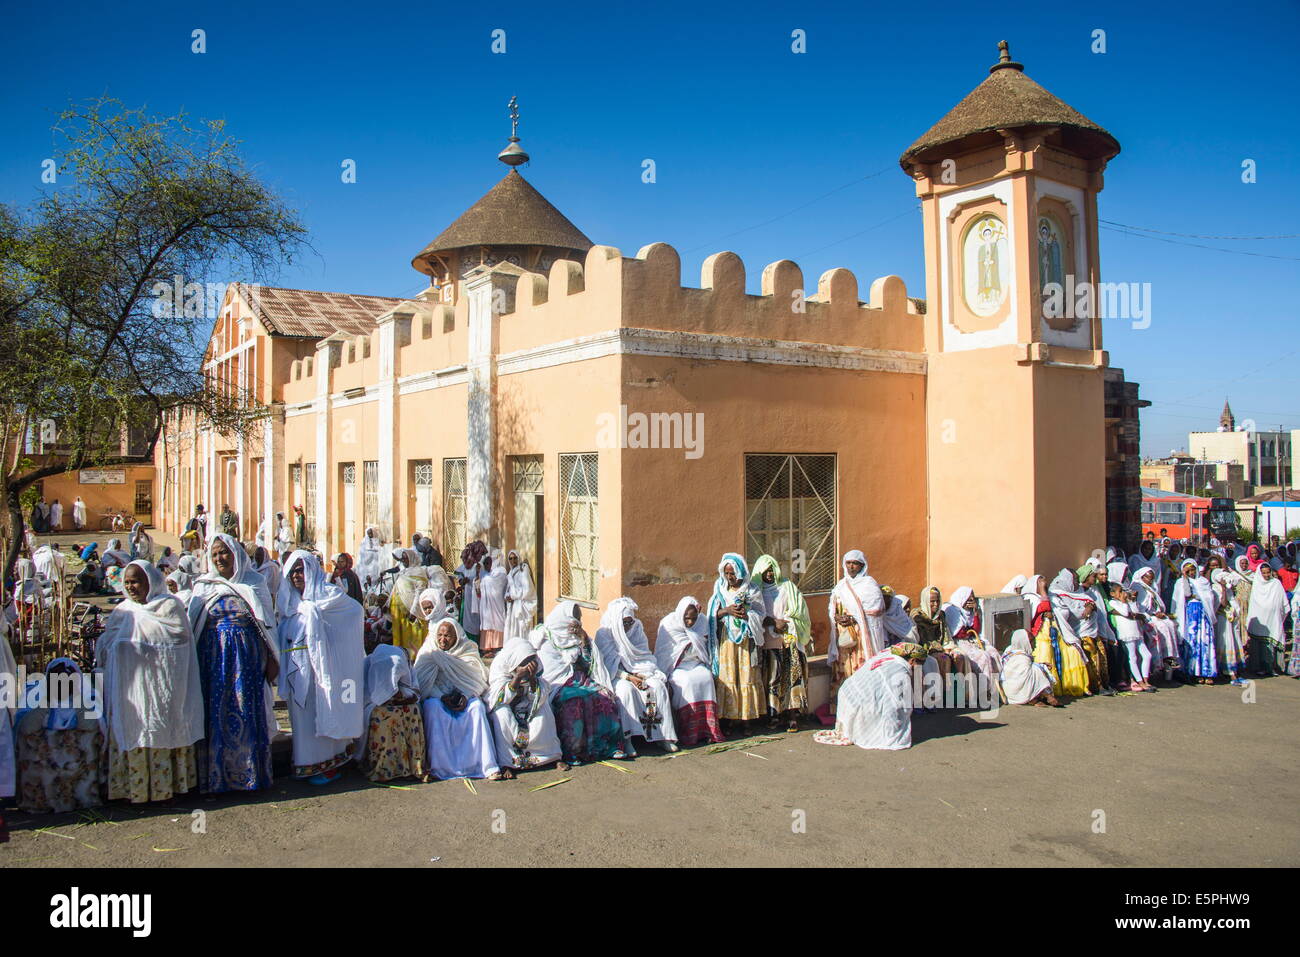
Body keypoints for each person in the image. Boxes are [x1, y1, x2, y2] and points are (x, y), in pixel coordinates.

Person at [96, 561, 203, 803]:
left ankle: (165, 788)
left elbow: (177, 643)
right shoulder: (123, 610)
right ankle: (134, 789)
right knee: (133, 729)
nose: (131, 587)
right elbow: (107, 645)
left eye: (136, 581)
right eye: (127, 582)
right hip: (129, 692)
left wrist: (130, 644)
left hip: (161, 692)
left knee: (158, 730)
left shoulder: (169, 607)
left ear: (151, 581)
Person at [187, 533, 279, 793]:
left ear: (236, 554)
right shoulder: (203, 586)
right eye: (215, 554)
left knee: (245, 712)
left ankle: (249, 776)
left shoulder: (254, 582)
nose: (220, 558)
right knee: (215, 715)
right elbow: (193, 625)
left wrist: (271, 660)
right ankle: (217, 779)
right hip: (213, 662)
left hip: (246, 663)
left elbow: (267, 626)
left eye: (224, 552)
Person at [277, 551, 366, 784]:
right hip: (297, 671)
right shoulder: (290, 603)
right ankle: (306, 763)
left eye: (300, 570)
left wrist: (332, 646)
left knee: (324, 711)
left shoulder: (330, 598)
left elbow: (355, 612)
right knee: (302, 720)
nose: (297, 575)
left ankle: (328, 764)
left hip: (324, 671)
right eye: (292, 571)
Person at [530, 601, 627, 764]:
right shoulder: (545, 639)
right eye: (575, 618)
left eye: (579, 618)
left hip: (579, 680)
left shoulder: (579, 637)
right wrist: (573, 670)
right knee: (574, 702)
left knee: (604, 697)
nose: (578, 623)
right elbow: (550, 671)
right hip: (558, 684)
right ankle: (575, 752)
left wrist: (584, 641)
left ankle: (609, 747)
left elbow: (589, 664)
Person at [14, 658, 105, 813]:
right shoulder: (37, 698)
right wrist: (49, 702)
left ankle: (81, 797)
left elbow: (93, 725)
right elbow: (25, 728)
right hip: (46, 769)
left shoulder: (86, 700)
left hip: (74, 765)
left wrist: (76, 700)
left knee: (89, 737)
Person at [414, 617, 500, 780]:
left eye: (447, 636)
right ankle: (439, 768)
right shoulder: (429, 652)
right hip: (438, 698)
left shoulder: (468, 651)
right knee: (432, 707)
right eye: (439, 635)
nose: (442, 640)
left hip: (463, 698)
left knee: (477, 707)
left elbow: (478, 680)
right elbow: (422, 682)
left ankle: (486, 766)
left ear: (457, 637)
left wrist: (465, 696)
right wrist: (441, 696)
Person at [596, 597, 678, 753]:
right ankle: (627, 739)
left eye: (630, 622)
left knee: (658, 687)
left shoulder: (636, 628)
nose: (627, 626)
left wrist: (640, 674)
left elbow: (644, 656)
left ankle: (663, 737)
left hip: (639, 671)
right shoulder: (604, 633)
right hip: (616, 676)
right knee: (626, 691)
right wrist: (628, 677)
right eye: (624, 623)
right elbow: (605, 666)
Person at [813, 643, 926, 750]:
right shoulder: (900, 671)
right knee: (891, 713)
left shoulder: (888, 654)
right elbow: (897, 703)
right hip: (859, 700)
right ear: (912, 661)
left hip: (847, 693)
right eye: (919, 665)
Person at [750, 554, 812, 732]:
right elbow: (754, 615)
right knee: (772, 678)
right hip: (769, 642)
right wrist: (771, 622)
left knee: (792, 676)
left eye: (772, 570)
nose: (769, 574)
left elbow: (800, 612)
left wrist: (786, 623)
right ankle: (774, 715)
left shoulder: (787, 587)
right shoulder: (756, 592)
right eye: (766, 571)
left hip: (789, 638)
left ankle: (792, 715)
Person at [358, 630, 429, 783]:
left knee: (412, 710)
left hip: (402, 705)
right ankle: (384, 769)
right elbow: (372, 696)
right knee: (385, 716)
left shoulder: (405, 665)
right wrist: (386, 698)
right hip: (374, 708)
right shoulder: (370, 667)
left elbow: (413, 690)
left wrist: (403, 698)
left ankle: (412, 767)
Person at [486, 637, 563, 775]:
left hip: (527, 708)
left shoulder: (534, 673)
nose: (529, 666)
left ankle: (551, 756)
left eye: (531, 662)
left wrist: (532, 678)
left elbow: (538, 697)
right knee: (502, 715)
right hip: (508, 708)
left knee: (545, 710)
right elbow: (497, 699)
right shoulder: (500, 670)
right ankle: (508, 763)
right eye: (525, 663)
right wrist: (517, 678)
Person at [655, 595, 726, 746]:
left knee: (706, 678)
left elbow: (705, 646)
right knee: (688, 682)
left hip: (696, 662)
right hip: (676, 666)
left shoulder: (701, 622)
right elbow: (664, 654)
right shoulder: (668, 624)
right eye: (687, 618)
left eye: (693, 618)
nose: (690, 622)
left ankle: (708, 731)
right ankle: (689, 732)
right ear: (681, 614)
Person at [706, 552, 767, 727]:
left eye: (733, 573)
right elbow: (712, 614)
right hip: (727, 640)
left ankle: (746, 719)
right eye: (727, 573)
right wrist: (727, 611)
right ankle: (730, 718)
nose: (730, 577)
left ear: (740, 572)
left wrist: (747, 615)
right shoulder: (720, 589)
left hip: (746, 639)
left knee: (746, 675)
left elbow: (761, 613)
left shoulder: (751, 589)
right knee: (729, 675)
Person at [827, 550, 885, 714]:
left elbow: (876, 610)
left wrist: (853, 619)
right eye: (848, 563)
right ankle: (843, 712)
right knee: (843, 672)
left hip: (860, 638)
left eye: (855, 563)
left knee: (860, 673)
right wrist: (836, 616)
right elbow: (833, 606)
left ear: (862, 565)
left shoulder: (869, 584)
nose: (851, 566)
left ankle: (863, 712)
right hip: (843, 638)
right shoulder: (841, 585)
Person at [1027, 581, 1090, 697]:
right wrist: (1043, 594)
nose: (1044, 587)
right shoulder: (1032, 598)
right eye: (1041, 585)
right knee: (1046, 658)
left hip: (1055, 632)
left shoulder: (1054, 597)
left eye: (1045, 585)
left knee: (1073, 653)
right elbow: (1043, 608)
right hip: (1040, 636)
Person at [942, 586, 1002, 685]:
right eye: (969, 598)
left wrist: (975, 613)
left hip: (972, 639)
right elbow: (960, 633)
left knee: (994, 653)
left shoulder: (971, 612)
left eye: (972, 598)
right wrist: (970, 632)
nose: (971, 600)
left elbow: (976, 630)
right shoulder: (953, 610)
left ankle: (998, 686)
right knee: (983, 657)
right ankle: (985, 689)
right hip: (959, 642)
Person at [1170, 558, 1217, 684]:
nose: (1191, 573)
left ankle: (1207, 671)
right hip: (1190, 616)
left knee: (1205, 642)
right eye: (1188, 570)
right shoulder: (1180, 582)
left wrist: (1198, 597)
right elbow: (1186, 594)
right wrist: (1184, 577)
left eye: (1193, 570)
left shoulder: (1203, 582)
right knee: (1193, 643)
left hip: (1203, 615)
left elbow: (1209, 597)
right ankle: (1194, 672)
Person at [1131, 566, 1181, 680]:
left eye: (1152, 578)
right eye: (1148, 578)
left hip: (1153, 615)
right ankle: (1160, 660)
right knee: (1162, 626)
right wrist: (1154, 614)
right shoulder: (1137, 586)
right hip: (1145, 617)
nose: (1150, 580)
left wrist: (1158, 613)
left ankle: (1170, 657)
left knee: (1170, 624)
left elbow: (1155, 604)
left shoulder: (1150, 588)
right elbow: (1141, 607)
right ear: (1142, 577)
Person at [389, 547, 436, 658]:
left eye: (406, 559)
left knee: (412, 638)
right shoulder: (404, 572)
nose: (404, 561)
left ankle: (415, 661)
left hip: (411, 612)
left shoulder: (419, 572)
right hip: (399, 612)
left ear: (412, 559)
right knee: (400, 639)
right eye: (403, 559)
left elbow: (420, 593)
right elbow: (395, 589)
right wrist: (387, 603)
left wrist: (414, 611)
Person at [912, 585, 965, 682]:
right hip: (926, 651)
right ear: (925, 601)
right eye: (932, 601)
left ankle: (959, 690)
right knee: (944, 659)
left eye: (937, 601)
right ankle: (946, 690)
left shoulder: (941, 615)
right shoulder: (917, 617)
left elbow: (946, 636)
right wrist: (941, 650)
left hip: (942, 648)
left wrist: (948, 648)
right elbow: (921, 641)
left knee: (960, 657)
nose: (936, 604)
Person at [1107, 582, 1154, 691]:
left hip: (1137, 632)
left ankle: (1146, 679)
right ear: (1113, 593)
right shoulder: (1113, 603)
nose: (1123, 594)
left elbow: (1136, 612)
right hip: (1126, 633)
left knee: (1147, 655)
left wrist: (1132, 600)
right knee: (1132, 657)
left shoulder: (1127, 602)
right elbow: (1125, 613)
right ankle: (1140, 681)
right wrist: (1124, 602)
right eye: (1120, 592)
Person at [1245, 562, 1288, 676]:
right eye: (1264, 573)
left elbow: (1283, 602)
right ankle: (1259, 667)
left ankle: (1272, 667)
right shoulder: (1257, 584)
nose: (1266, 575)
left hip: (1273, 618)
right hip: (1260, 620)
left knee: (1271, 641)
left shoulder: (1276, 583)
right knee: (1259, 644)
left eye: (1268, 572)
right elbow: (1254, 603)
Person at [1000, 629, 1061, 706]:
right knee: (1037, 670)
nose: (1034, 645)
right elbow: (1023, 678)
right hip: (1016, 693)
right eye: (1031, 642)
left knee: (1036, 668)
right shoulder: (1020, 657)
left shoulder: (1012, 651)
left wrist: (1041, 664)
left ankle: (1036, 698)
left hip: (1014, 690)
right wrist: (1041, 666)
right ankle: (1048, 696)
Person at [476, 549, 508, 655]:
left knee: (497, 622)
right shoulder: (488, 574)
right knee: (487, 623)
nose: (486, 565)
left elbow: (499, 584)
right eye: (485, 563)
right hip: (487, 606)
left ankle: (496, 647)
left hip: (496, 604)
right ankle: (487, 647)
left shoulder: (501, 571)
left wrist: (484, 580)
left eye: (488, 563)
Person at [503, 549, 538, 644]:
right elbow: (508, 590)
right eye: (510, 558)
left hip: (521, 606)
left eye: (515, 558)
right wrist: (507, 596)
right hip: (513, 606)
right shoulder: (510, 573)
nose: (513, 560)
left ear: (518, 558)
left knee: (521, 630)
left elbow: (527, 589)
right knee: (513, 629)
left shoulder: (523, 570)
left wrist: (513, 596)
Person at [455, 542, 488, 641]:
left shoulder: (480, 566)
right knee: (466, 619)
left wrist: (477, 578)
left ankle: (475, 642)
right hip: (468, 596)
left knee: (476, 618)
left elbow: (485, 580)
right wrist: (463, 582)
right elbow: (460, 578)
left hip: (478, 597)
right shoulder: (466, 565)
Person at [251, 545, 282, 613]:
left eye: (260, 555)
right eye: (256, 555)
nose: (258, 557)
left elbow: (272, 586)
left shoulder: (271, 567)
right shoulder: (252, 567)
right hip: (253, 598)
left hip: (267, 598)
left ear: (265, 556)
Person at [356, 525, 385, 593]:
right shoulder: (364, 542)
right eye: (369, 533)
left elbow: (382, 554)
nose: (370, 535)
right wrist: (370, 554)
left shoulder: (378, 541)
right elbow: (362, 557)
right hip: (365, 568)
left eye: (371, 533)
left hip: (375, 567)